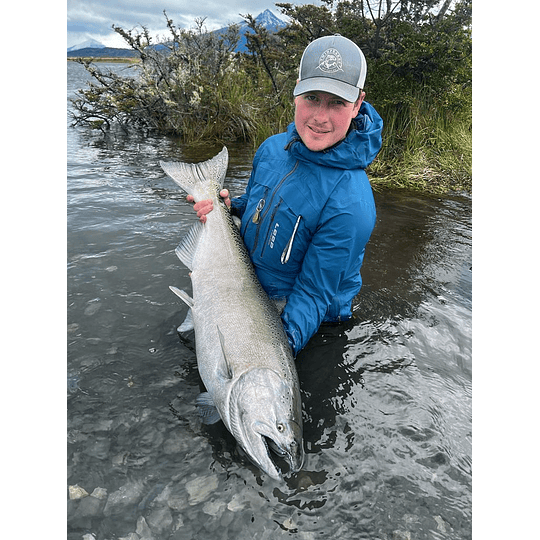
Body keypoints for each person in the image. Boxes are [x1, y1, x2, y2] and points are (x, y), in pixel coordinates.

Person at [189, 35, 383, 357]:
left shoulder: (353, 205)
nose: (320, 117)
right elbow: (253, 204)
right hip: (249, 290)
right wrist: (226, 207)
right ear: (295, 93)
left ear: (358, 104)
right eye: (312, 97)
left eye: (337, 102)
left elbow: (313, 294)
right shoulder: (271, 149)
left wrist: (271, 352)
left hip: (313, 324)